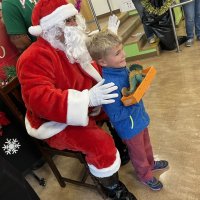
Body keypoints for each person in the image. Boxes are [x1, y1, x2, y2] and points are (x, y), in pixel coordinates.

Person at [16, 0, 137, 199]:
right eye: (67, 20)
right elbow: (39, 100)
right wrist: (87, 99)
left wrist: (110, 38)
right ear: (51, 28)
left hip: (87, 104)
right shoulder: (33, 57)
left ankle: (122, 146)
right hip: (55, 120)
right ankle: (113, 190)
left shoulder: (72, 42)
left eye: (74, 18)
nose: (74, 23)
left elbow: (94, 61)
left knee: (121, 103)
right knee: (100, 143)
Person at [86, 30, 169, 191]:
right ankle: (145, 175)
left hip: (140, 119)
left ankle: (151, 163)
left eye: (122, 49)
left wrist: (140, 86)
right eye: (117, 53)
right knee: (138, 153)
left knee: (147, 144)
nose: (123, 55)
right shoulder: (109, 86)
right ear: (102, 62)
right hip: (129, 128)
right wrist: (134, 100)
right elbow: (115, 115)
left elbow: (132, 88)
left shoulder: (121, 69)